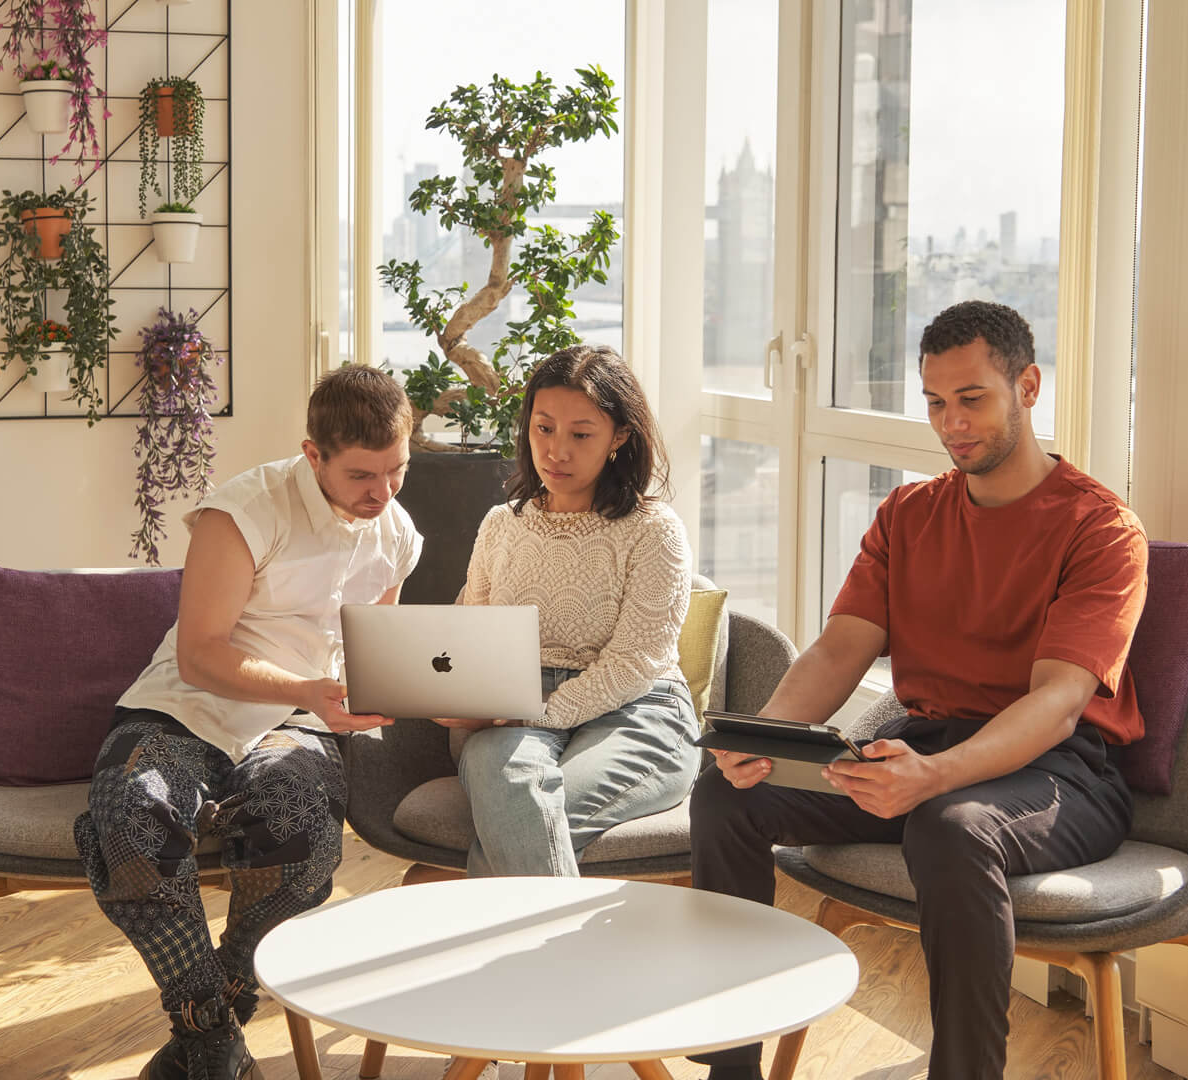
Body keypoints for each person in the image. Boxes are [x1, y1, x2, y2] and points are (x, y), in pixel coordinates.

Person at [690, 300, 1146, 1080]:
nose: (952, 423)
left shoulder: (1100, 529)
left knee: (950, 825)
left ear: (1028, 387)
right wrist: (757, 739)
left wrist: (933, 777)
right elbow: (841, 650)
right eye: (936, 403)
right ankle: (730, 1068)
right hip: (927, 743)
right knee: (728, 796)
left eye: (973, 399)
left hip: (1061, 768)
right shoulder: (908, 513)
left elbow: (1059, 703)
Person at [74, 365, 421, 1080]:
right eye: (361, 475)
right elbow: (201, 654)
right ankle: (214, 1039)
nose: (380, 494)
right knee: (129, 816)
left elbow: (369, 650)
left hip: (299, 723)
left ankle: (205, 1035)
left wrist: (391, 687)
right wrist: (312, 687)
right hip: (185, 707)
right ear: (312, 452)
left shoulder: (396, 533)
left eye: (397, 471)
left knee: (303, 838)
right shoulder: (243, 511)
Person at [437, 343, 699, 879]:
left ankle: (493, 951)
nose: (556, 451)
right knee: (510, 786)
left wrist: (539, 712)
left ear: (619, 438)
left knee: (523, 813)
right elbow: (470, 639)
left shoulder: (655, 531)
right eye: (543, 428)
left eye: (581, 434)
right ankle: (558, 961)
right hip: (509, 709)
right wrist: (453, 697)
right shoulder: (500, 525)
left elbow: (637, 663)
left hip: (638, 709)